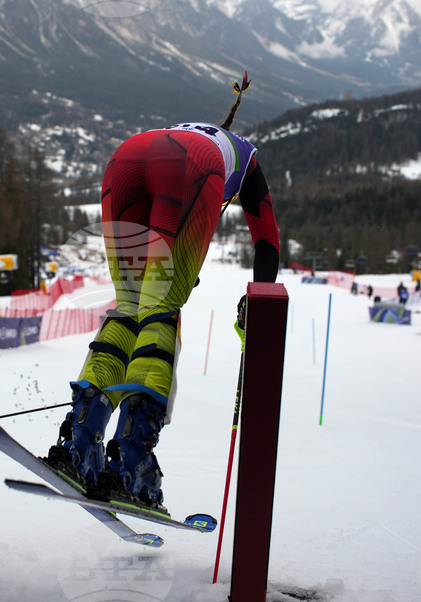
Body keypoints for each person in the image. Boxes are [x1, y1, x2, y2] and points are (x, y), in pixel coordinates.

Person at [46, 73, 279, 514]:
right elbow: (266, 235)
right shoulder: (244, 157)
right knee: (160, 310)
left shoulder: (192, 127)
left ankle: (81, 441)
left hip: (128, 158)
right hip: (191, 169)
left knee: (130, 306)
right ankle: (131, 460)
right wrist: (260, 299)